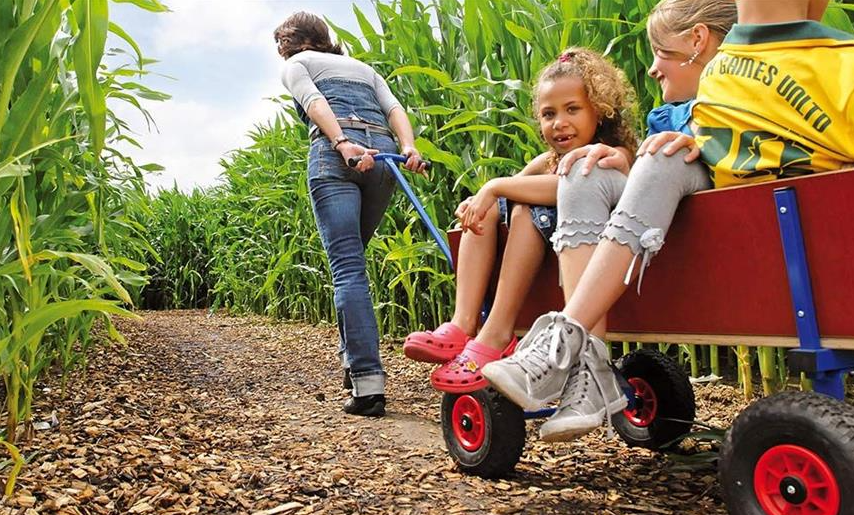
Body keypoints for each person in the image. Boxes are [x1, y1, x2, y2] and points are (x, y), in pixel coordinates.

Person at [485, 0, 854, 443]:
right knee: (606, 168)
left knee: (657, 157)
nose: (653, 68)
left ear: (698, 41)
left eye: (659, 51)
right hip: (758, 250)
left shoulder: (737, 76)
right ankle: (584, 362)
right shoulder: (719, 85)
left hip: (786, 263)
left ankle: (567, 344)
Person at [402, 48, 639, 395]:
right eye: (548, 114)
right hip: (550, 261)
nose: (559, 122)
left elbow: (565, 189)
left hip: (592, 261)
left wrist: (494, 185)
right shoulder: (547, 160)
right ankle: (462, 322)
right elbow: (514, 190)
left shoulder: (609, 155)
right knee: (493, 208)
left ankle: (496, 333)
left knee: (525, 210)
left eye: (572, 109)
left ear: (600, 111)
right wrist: (481, 200)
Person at [275, 12, 427, 417]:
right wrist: (409, 147)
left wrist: (341, 142)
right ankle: (351, 360)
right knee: (353, 263)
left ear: (291, 42)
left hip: (338, 158)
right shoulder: (363, 68)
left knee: (347, 270)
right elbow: (394, 110)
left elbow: (314, 102)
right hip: (384, 161)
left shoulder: (297, 65)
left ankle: (367, 384)